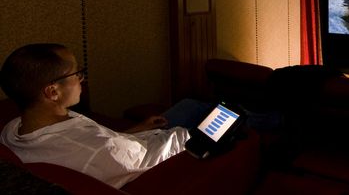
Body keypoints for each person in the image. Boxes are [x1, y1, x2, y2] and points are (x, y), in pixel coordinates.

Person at [0, 43, 209, 189]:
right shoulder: (100, 149)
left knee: (188, 105)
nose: (82, 79)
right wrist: (197, 135)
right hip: (161, 150)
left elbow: (96, 145)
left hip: (129, 144)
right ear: (53, 92)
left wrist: (133, 131)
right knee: (211, 116)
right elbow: (155, 152)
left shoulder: (12, 129)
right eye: (76, 73)